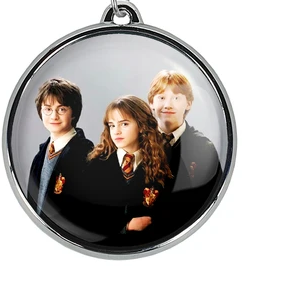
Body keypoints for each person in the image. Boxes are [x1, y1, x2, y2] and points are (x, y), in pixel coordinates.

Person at [84, 95, 172, 247]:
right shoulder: (95, 164)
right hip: (104, 248)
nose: (116, 131)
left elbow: (171, 212)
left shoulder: (162, 163)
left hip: (149, 247)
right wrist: (126, 226)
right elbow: (84, 214)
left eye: (124, 124)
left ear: (142, 126)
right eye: (112, 125)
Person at [148, 70, 222, 235]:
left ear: (188, 103)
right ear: (151, 103)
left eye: (176, 98)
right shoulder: (138, 144)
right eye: (161, 97)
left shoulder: (203, 148)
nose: (168, 104)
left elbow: (211, 201)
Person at [27, 78, 93, 237]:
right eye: (47, 109)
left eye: (62, 109)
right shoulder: (40, 156)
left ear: (73, 113)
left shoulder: (87, 154)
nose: (54, 116)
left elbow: (89, 211)